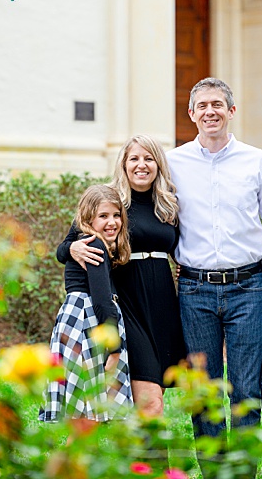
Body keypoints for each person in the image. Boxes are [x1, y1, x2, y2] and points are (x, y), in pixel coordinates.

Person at [168, 76, 262, 444]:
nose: (210, 111)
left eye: (217, 104)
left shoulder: (257, 161)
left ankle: (243, 471)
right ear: (191, 114)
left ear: (231, 111)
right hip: (194, 290)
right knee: (205, 390)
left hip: (248, 287)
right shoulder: (173, 164)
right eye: (202, 105)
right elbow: (143, 213)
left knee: (246, 388)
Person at [61, 135, 187, 414]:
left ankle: (143, 457)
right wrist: (72, 250)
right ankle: (153, 459)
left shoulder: (168, 203)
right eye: (134, 158)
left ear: (158, 164)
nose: (142, 165)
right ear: (124, 164)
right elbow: (66, 245)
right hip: (128, 302)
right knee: (149, 398)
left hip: (163, 304)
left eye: (149, 158)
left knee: (156, 397)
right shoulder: (110, 200)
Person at [41, 184, 134, 423]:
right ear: (88, 219)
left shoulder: (89, 242)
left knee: (81, 409)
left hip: (75, 319)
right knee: (85, 410)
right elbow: (102, 301)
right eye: (103, 216)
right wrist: (115, 348)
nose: (112, 222)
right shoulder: (93, 245)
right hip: (88, 322)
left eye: (116, 215)